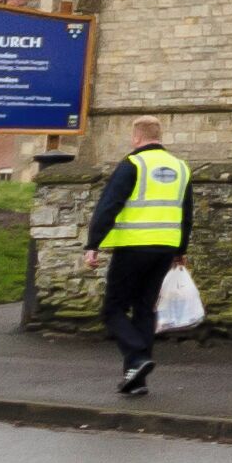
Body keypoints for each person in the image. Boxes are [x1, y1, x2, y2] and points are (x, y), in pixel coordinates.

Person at [83, 115, 192, 398]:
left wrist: (93, 244)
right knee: (145, 309)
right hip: (165, 248)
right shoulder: (180, 167)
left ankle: (137, 355)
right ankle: (137, 379)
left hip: (132, 247)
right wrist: (181, 250)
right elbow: (186, 213)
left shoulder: (133, 164)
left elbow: (109, 205)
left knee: (113, 309)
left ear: (136, 137)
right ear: (159, 135)